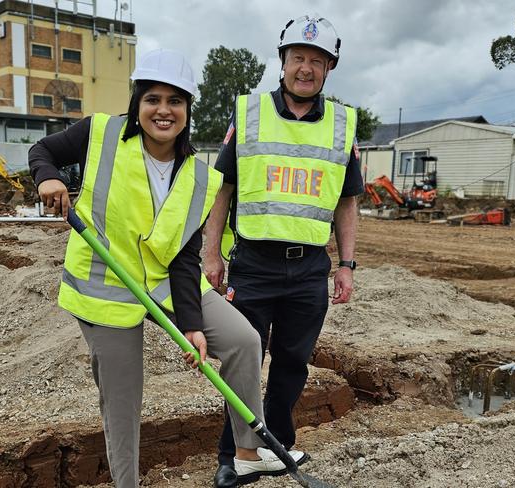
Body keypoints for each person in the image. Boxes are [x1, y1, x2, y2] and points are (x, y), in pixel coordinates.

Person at [29, 48, 296, 488]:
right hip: (106, 288)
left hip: (165, 281)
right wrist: (48, 177)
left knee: (242, 340)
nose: (163, 110)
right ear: (137, 103)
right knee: (123, 399)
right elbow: (42, 151)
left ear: (188, 110)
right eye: (153, 99)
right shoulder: (100, 133)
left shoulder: (198, 175)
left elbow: (183, 258)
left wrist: (191, 324)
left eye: (175, 101)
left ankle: (247, 451)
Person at [204, 15, 364, 487]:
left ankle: (274, 444)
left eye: (317, 61)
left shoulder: (342, 124)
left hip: (310, 268)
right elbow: (222, 190)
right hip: (252, 265)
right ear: (282, 62)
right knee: (243, 361)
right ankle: (233, 456)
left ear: (330, 68)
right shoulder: (249, 113)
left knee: (292, 364)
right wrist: (212, 255)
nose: (306, 68)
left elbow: (347, 202)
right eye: (298, 58)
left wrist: (347, 265)